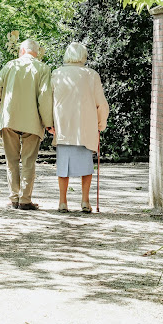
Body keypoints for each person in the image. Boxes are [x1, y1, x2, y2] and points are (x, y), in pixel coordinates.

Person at [0, 39, 53, 210]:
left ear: (22, 50)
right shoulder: (43, 68)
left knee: (12, 161)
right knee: (28, 161)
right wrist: (48, 123)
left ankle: (13, 198)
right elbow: (45, 97)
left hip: (10, 119)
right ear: (36, 52)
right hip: (32, 121)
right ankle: (25, 200)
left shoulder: (9, 66)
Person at [51, 42, 109, 213]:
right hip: (85, 126)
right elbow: (101, 104)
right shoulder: (91, 75)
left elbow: (49, 100)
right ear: (83, 56)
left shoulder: (57, 74)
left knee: (63, 166)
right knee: (86, 166)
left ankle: (62, 202)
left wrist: (49, 123)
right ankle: (85, 201)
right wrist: (100, 124)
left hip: (63, 126)